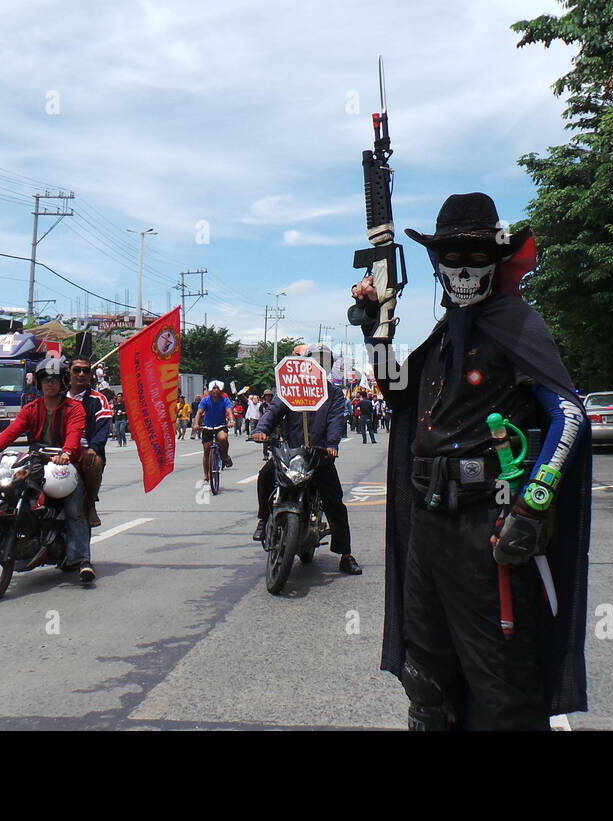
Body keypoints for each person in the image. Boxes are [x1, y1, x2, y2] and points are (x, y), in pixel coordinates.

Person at [352, 192, 592, 730]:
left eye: (476, 257)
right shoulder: (445, 333)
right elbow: (398, 394)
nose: (463, 269)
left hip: (488, 525)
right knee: (428, 678)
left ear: (497, 260)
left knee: (501, 685)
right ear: (436, 264)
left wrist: (532, 506)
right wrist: (376, 325)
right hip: (429, 524)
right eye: (451, 257)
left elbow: (570, 415)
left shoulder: (514, 321)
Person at [0, 357, 94, 583]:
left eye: (55, 380)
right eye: (45, 379)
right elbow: (12, 431)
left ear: (63, 382)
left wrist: (66, 452)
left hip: (63, 464)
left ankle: (82, 560)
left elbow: (75, 433)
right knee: (7, 494)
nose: (50, 384)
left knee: (74, 510)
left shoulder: (74, 408)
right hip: (36, 461)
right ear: (38, 382)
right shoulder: (31, 408)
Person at [251, 345, 361, 575]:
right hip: (291, 454)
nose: (319, 365)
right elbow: (273, 412)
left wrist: (332, 445)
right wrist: (261, 430)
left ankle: (346, 554)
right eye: (315, 360)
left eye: (324, 362)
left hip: (320, 457)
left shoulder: (334, 393)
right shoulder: (289, 390)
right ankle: (263, 518)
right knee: (265, 475)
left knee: (335, 503)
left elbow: (335, 422)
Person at [65, 356, 113, 528]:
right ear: (68, 372)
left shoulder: (98, 400)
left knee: (94, 461)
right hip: (58, 451)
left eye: (86, 370)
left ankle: (90, 502)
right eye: (77, 370)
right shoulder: (58, 398)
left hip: (85, 452)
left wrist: (93, 448)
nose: (81, 374)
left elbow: (103, 429)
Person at [191, 381, 234, 483]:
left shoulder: (225, 400)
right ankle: (206, 475)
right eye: (214, 388)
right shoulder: (205, 400)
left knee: (223, 438)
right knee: (206, 450)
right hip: (207, 427)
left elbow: (229, 411)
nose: (216, 390)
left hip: (220, 426)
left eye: (217, 388)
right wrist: (196, 424)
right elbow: (199, 413)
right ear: (210, 390)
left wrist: (231, 420)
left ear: (221, 390)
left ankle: (225, 456)